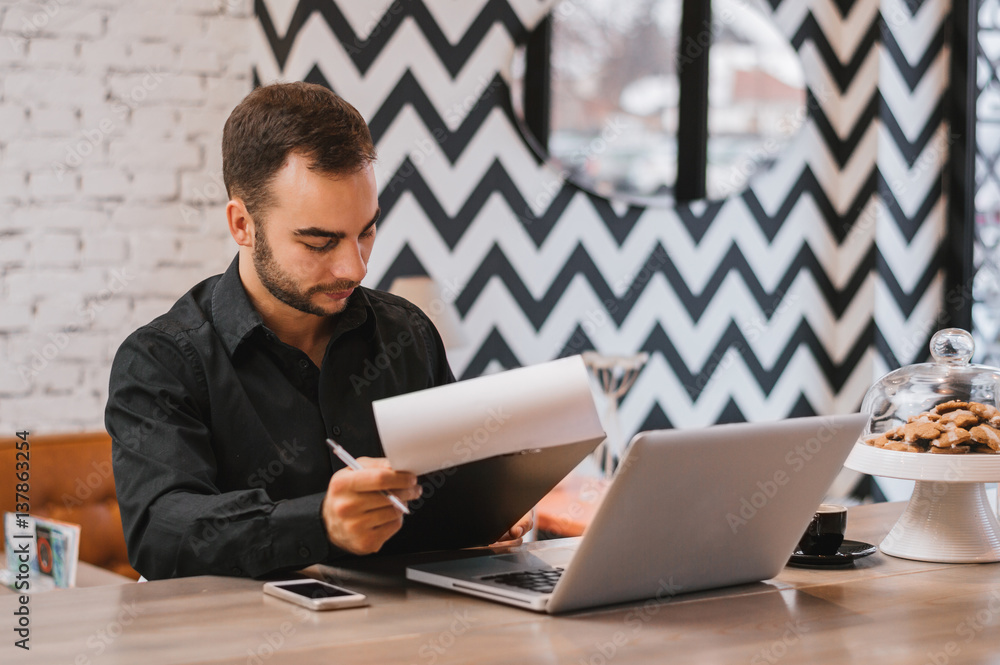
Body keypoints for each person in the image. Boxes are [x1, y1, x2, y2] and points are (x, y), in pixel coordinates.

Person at [105, 82, 530, 580]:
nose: (354, 268)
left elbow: (456, 484)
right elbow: (160, 532)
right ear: (243, 224)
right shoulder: (162, 361)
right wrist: (319, 522)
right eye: (319, 242)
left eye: (366, 231)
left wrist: (485, 514)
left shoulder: (407, 333)